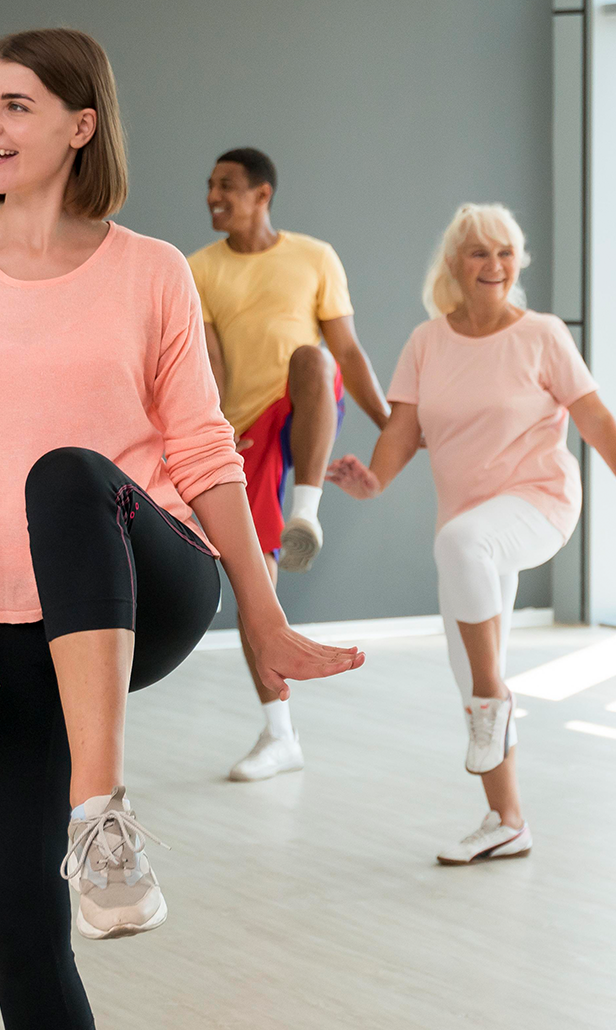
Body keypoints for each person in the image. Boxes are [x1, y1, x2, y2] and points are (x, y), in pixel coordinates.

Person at [0, 28, 363, 1030]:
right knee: (13, 915)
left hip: (143, 580)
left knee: (63, 475)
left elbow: (202, 452)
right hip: (1, 620)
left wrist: (262, 618)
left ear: (81, 123)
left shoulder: (151, 270)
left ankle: (100, 810)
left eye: (17, 105)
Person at [325, 204, 616, 865]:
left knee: (462, 558)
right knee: (466, 659)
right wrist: (371, 481)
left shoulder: (541, 334)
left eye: (506, 252)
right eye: (480, 253)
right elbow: (402, 430)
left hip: (539, 499)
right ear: (454, 265)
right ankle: (507, 819)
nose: (495, 265)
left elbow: (591, 414)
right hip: (469, 520)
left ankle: (495, 698)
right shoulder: (428, 342)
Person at [190, 146, 391, 783]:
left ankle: (308, 512)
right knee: (256, 593)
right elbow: (209, 367)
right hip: (246, 435)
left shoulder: (314, 257)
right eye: (209, 187)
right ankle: (280, 734)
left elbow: (347, 353)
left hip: (303, 411)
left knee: (311, 358)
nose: (213, 197)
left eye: (226, 186)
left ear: (262, 194)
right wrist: (219, 437)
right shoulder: (197, 269)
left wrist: (394, 425)